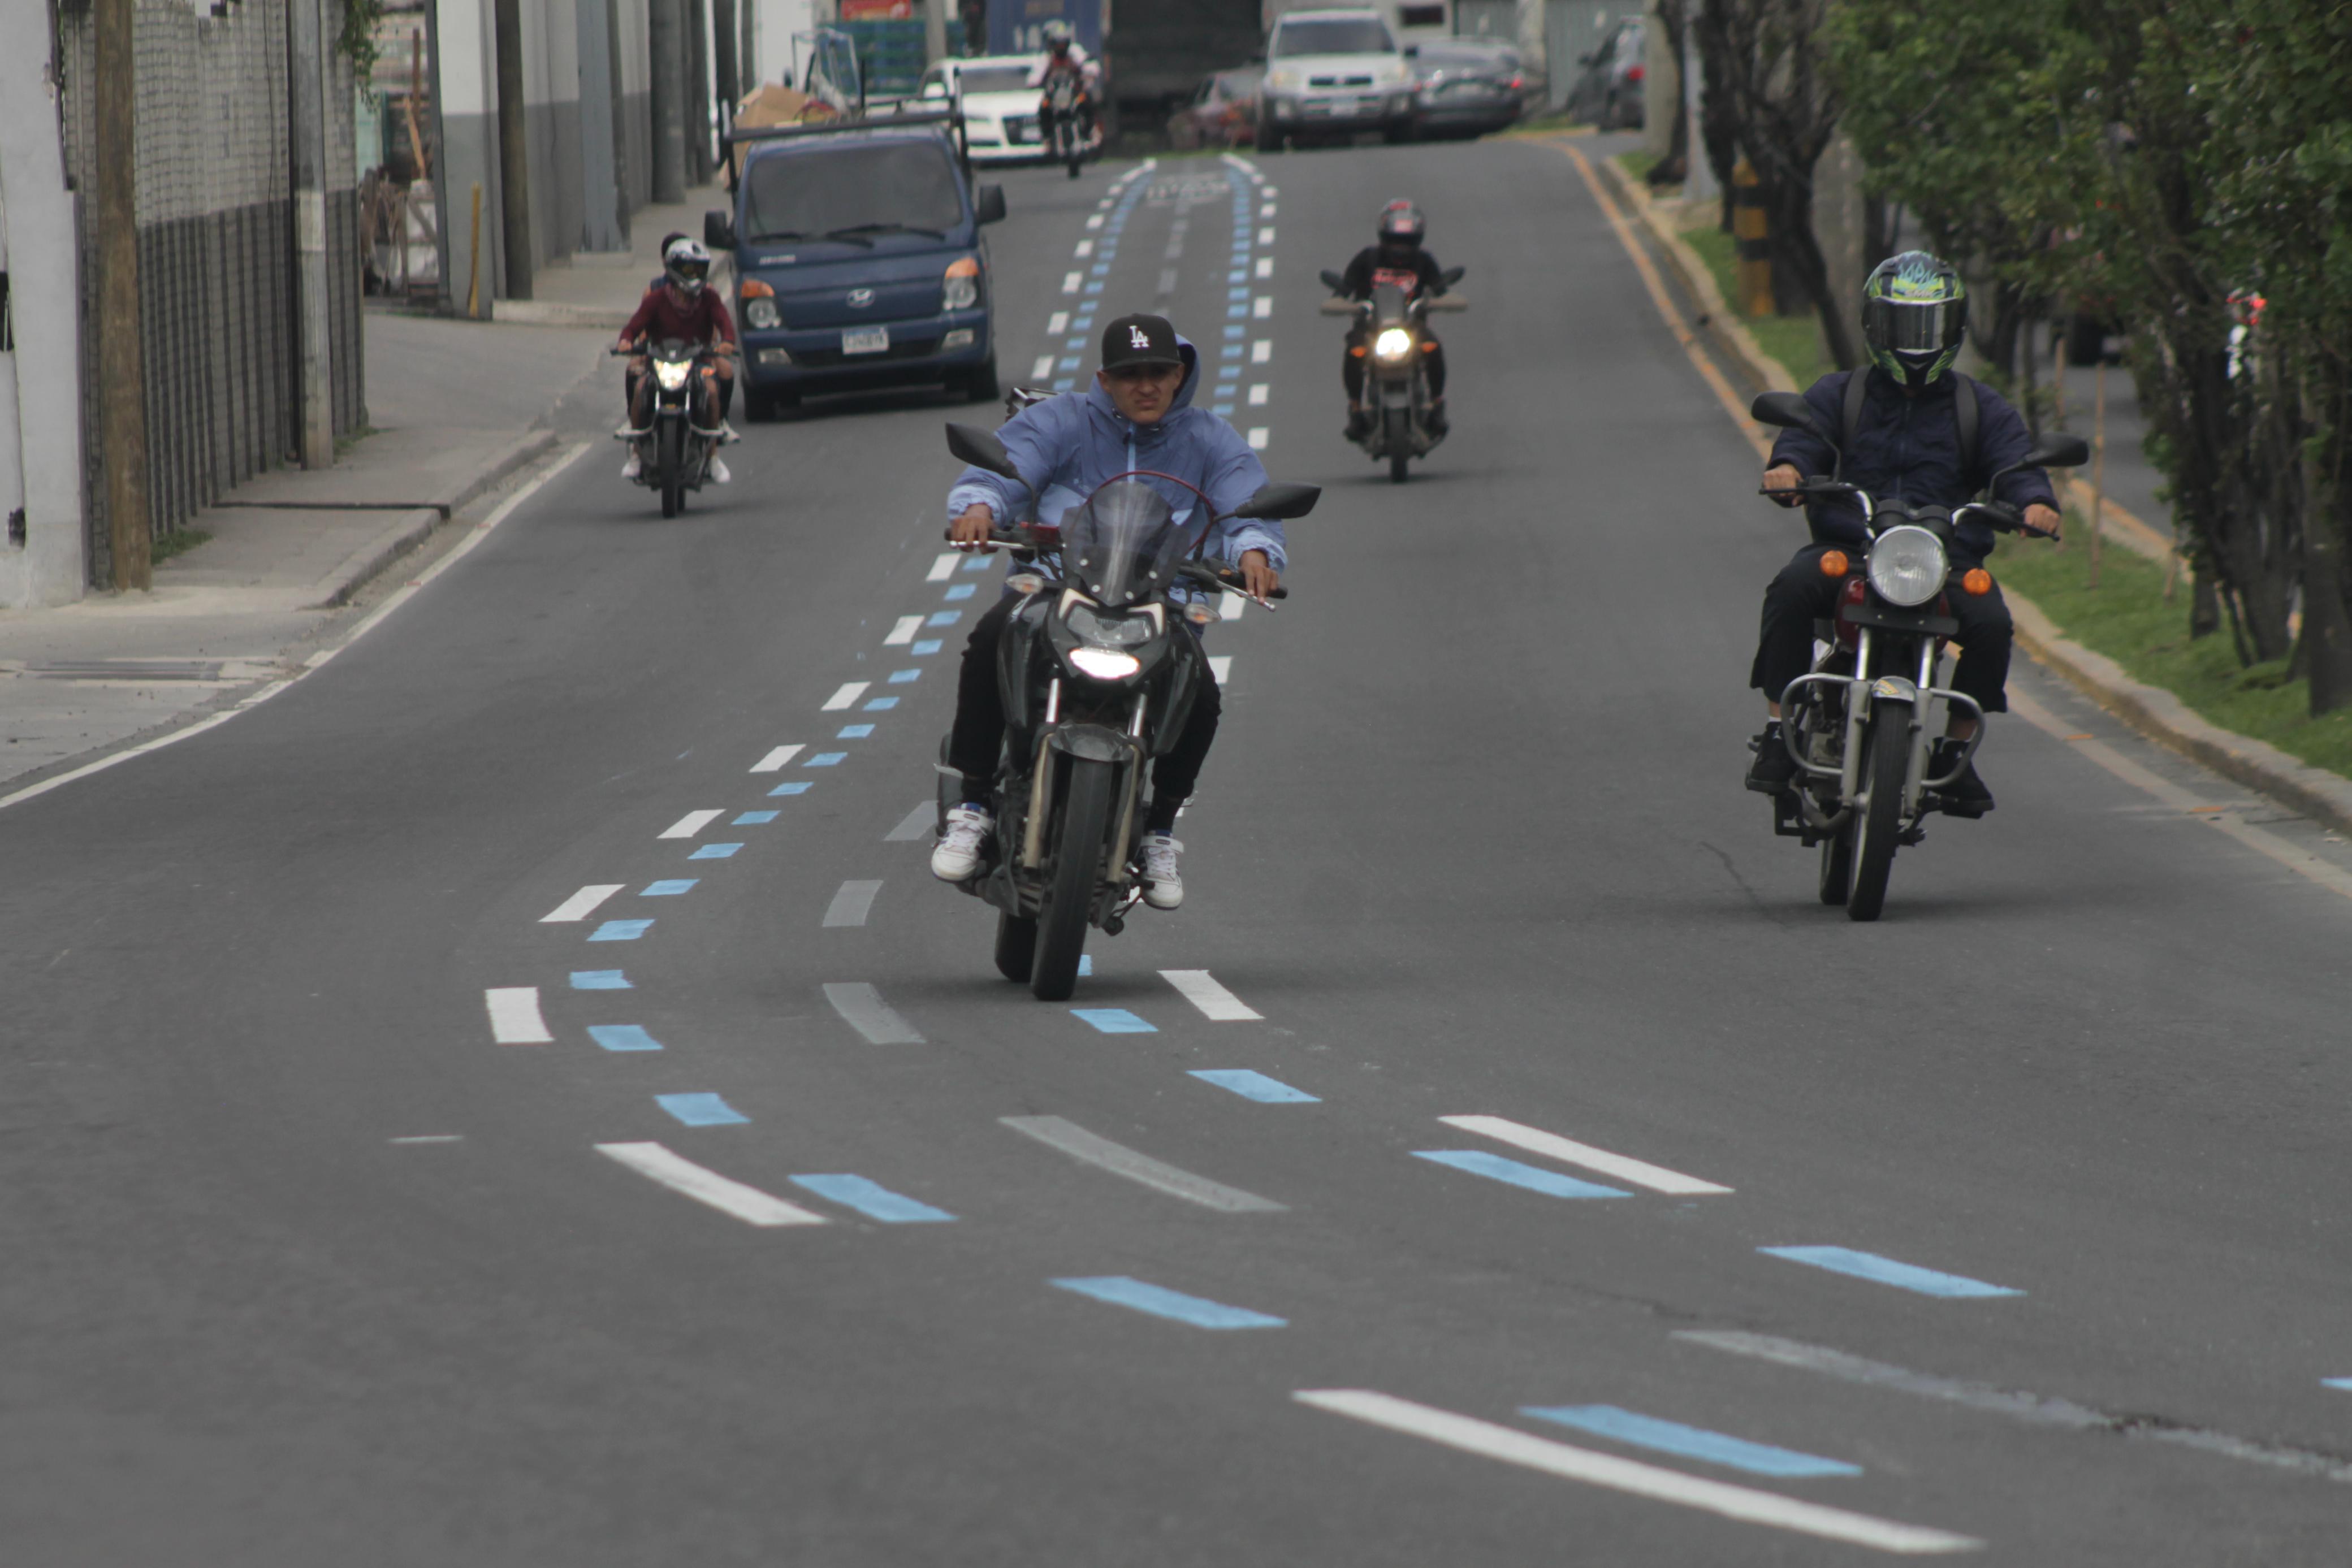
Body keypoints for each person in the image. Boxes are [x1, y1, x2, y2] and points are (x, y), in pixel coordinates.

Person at [932, 312, 1285, 909]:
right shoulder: (1063, 420)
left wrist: (1253, 549)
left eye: (1157, 372)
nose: (1144, 386)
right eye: (1129, 375)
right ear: (1105, 378)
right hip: (1054, 589)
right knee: (992, 636)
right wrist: (979, 506)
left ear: (1178, 375)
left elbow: (1243, 500)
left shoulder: (1208, 438)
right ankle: (971, 806)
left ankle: (1159, 830)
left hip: (1161, 602)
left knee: (1202, 694)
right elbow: (1006, 469)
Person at [1745, 251, 2061, 815]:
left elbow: (2015, 464)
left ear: (1954, 326)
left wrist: (2034, 503)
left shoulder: (1978, 405)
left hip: (1944, 560)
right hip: (1850, 550)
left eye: (1930, 325)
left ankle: (1955, 746)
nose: (1917, 341)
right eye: (1903, 324)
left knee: (1991, 622)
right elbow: (1802, 437)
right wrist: (1788, 469)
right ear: (1874, 325)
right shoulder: (1841, 393)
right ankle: (1775, 732)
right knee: (1790, 587)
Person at [614, 236, 738, 484]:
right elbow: (633, 326)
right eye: (689, 269)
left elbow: (725, 324)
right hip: (660, 359)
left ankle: (713, 456)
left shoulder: (710, 298)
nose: (695, 276)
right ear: (673, 268)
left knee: (713, 388)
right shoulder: (656, 298)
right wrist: (626, 341)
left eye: (700, 270)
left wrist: (726, 342)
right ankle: (637, 455)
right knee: (640, 386)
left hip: (698, 359)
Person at [1338, 199, 1451, 440]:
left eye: (1407, 242)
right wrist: (1341, 302)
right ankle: (1356, 408)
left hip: (1411, 327)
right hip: (1371, 328)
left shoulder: (1424, 261)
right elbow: (1343, 291)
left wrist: (1444, 299)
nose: (1401, 248)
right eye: (1395, 241)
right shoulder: (1367, 259)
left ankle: (1436, 404)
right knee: (1354, 351)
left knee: (1433, 348)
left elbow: (1441, 290)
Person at [1027, 20, 1099, 151]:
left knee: (1087, 101)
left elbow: (1090, 65)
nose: (1061, 47)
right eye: (1057, 44)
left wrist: (1089, 72)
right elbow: (1034, 76)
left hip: (1074, 94)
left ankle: (1090, 131)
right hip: (1055, 96)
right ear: (1051, 44)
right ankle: (1047, 137)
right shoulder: (1045, 58)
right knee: (1043, 107)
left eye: (1063, 43)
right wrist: (1034, 83)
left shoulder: (1075, 52)